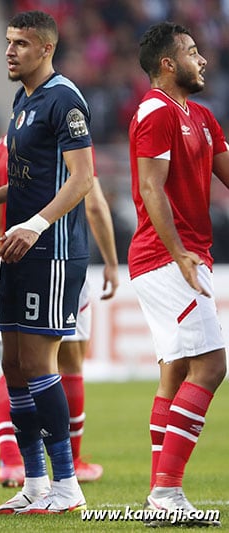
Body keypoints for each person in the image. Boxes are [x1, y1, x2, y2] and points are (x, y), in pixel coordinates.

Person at [0, 11, 93, 515]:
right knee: (14, 366)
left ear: (46, 49)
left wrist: (36, 225)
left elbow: (82, 178)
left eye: (21, 44)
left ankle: (67, 485)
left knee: (40, 364)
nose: (10, 51)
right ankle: (34, 482)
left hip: (52, 250)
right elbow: (29, 181)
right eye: (8, 42)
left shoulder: (64, 98)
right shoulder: (22, 100)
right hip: (19, 248)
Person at [128, 21, 226, 527]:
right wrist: (179, 252)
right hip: (166, 258)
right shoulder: (155, 111)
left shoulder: (203, 117)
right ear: (168, 63)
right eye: (191, 51)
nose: (201, 59)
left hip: (185, 257)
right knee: (211, 365)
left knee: (177, 370)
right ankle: (167, 493)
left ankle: (159, 493)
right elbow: (150, 187)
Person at [0, 135, 118, 488]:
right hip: (59, 255)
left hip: (12, 257)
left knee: (15, 363)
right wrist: (110, 260)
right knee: (68, 361)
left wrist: (5, 251)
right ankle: (70, 463)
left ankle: (12, 461)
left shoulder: (2, 146)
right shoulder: (68, 140)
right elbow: (93, 204)